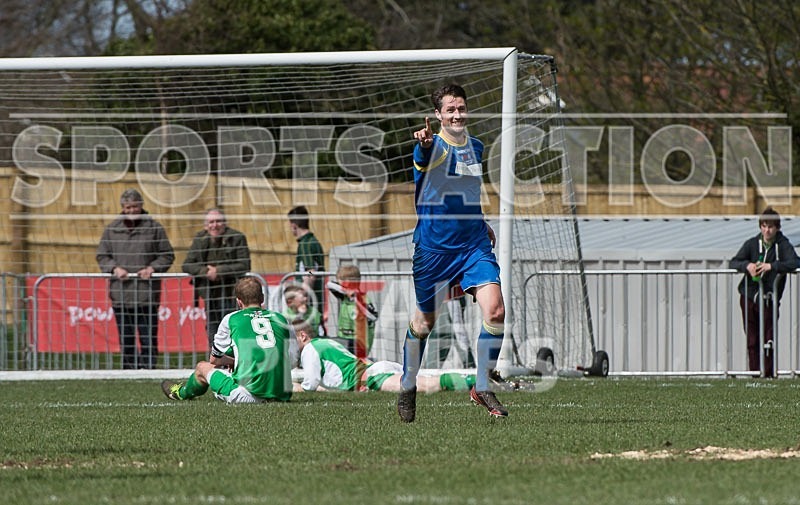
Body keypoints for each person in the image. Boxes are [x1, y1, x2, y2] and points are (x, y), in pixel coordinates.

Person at [398, 83, 508, 422]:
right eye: (450, 110)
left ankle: (481, 385)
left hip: (473, 244)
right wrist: (425, 145)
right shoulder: (430, 147)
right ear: (438, 115)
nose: (457, 114)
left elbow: (466, 192)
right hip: (433, 251)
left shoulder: (476, 145)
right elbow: (424, 157)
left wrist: (481, 222)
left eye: (461, 108)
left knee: (496, 310)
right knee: (425, 322)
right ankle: (407, 383)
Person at [161, 276, 293, 403]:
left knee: (202, 367)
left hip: (247, 395)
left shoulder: (231, 319)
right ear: (262, 298)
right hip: (283, 393)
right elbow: (290, 356)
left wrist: (234, 361)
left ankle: (181, 393)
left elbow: (214, 359)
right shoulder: (281, 318)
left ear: (238, 301)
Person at [96, 188, 174, 369]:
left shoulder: (154, 228)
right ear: (123, 207)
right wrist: (114, 268)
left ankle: (149, 370)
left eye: (135, 207)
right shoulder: (111, 230)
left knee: (148, 338)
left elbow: (167, 255)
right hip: (120, 295)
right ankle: (129, 372)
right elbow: (102, 256)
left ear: (141, 206)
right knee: (126, 338)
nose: (132, 211)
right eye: (128, 207)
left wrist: (153, 268)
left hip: (147, 295)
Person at [292, 319, 475, 393]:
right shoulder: (323, 343)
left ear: (302, 335)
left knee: (425, 385)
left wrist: (288, 387)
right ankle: (472, 380)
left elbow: (310, 386)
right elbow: (325, 386)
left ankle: (475, 381)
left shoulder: (309, 350)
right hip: (375, 369)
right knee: (425, 380)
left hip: (372, 377)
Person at [729, 207, 798, 378]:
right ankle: (755, 374)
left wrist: (772, 266)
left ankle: (768, 374)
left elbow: (795, 262)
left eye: (771, 227)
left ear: (777, 228)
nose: (767, 230)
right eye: (764, 226)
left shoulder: (782, 245)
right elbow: (734, 262)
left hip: (770, 299)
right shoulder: (752, 244)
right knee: (752, 339)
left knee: (769, 338)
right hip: (749, 297)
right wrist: (748, 266)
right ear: (760, 227)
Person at [182, 208, 251, 351]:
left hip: (232, 294)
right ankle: (216, 363)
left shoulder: (237, 237)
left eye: (218, 221)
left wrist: (218, 271)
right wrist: (206, 272)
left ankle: (235, 363)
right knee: (213, 332)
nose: (215, 225)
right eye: (211, 222)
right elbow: (187, 264)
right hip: (210, 295)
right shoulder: (200, 239)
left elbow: (244, 264)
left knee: (233, 329)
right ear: (206, 225)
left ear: (224, 223)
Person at [326, 264, 378, 356]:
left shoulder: (363, 299)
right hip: (344, 340)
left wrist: (356, 297)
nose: (339, 282)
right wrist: (347, 291)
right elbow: (329, 284)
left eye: (342, 280)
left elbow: (373, 316)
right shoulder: (344, 296)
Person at [287, 205, 325, 314]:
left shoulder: (305, 244)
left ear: (294, 226)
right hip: (317, 299)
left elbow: (310, 272)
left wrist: (302, 294)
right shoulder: (314, 241)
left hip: (308, 305)